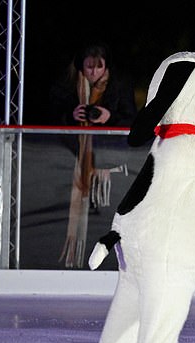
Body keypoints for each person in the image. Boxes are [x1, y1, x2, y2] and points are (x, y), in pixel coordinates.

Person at [50, 42, 136, 268]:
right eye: (89, 67)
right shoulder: (69, 85)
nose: (93, 73)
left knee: (109, 216)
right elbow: (50, 115)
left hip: (108, 161)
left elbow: (132, 120)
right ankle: (75, 260)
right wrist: (71, 115)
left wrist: (109, 117)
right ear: (81, 66)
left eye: (99, 67)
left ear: (106, 66)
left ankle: (111, 261)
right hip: (75, 159)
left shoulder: (118, 85)